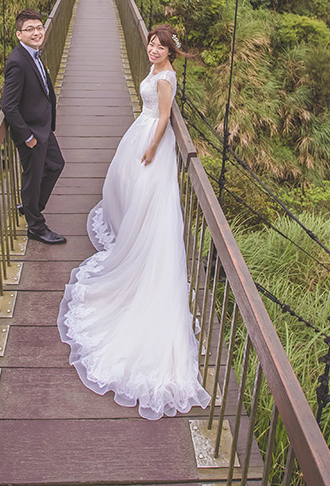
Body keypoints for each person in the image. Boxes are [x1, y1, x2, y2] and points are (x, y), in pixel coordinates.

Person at [57, 24, 210, 419]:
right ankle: (132, 235)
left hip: (151, 140)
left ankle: (139, 248)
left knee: (149, 201)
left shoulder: (166, 78)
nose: (153, 49)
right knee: (130, 196)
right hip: (140, 132)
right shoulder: (156, 70)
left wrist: (152, 147)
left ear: (170, 53)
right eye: (151, 43)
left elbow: (162, 117)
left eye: (160, 46)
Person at [2, 8, 66, 245]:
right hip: (32, 133)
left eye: (39, 27)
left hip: (43, 127)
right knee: (33, 176)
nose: (36, 32)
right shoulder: (18, 62)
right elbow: (8, 106)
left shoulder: (34, 53)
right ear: (19, 34)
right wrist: (27, 136)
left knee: (56, 164)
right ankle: (36, 227)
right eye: (29, 29)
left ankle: (31, 207)